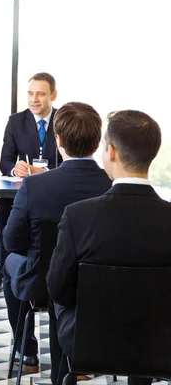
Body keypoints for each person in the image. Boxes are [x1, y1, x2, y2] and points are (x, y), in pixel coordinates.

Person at [47, 109, 171, 385]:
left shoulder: (78, 216)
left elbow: (58, 288)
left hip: (88, 341)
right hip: (161, 344)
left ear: (111, 152)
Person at [2, 102, 111, 376]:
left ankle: (27, 351)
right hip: (97, 284)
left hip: (42, 283)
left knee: (10, 264)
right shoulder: (111, 185)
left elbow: (12, 242)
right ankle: (80, 357)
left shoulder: (35, 186)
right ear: (97, 141)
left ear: (58, 140)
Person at [0, 73, 62, 293]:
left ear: (53, 95)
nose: (34, 99)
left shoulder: (63, 119)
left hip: (54, 191)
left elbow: (71, 158)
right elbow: (5, 161)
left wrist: (45, 172)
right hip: (23, 191)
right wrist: (15, 168)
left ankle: (55, 268)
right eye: (30, 93)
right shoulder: (15, 121)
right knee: (3, 208)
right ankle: (3, 268)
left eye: (40, 94)